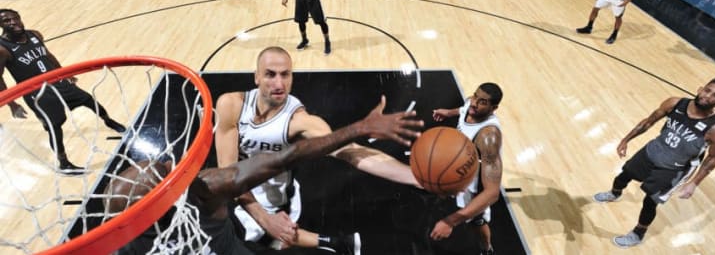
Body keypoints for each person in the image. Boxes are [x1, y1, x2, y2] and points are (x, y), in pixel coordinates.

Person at [109, 96, 423, 254]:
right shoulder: (204, 187)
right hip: (238, 216)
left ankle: (330, 241)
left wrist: (359, 130)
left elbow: (286, 156)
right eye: (166, 170)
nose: (171, 166)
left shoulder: (123, 229)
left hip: (251, 210)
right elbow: (283, 157)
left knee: (279, 227)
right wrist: (360, 127)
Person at [214, 46, 419, 253]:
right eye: (270, 75)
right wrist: (264, 219)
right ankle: (338, 243)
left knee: (263, 242)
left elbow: (349, 151)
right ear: (256, 77)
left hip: (277, 200)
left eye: (286, 75)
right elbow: (228, 171)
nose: (279, 84)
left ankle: (336, 243)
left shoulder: (300, 121)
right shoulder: (231, 105)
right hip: (242, 191)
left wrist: (413, 176)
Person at [593, 78, 715, 248]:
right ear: (700, 89)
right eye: (707, 90)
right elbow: (649, 121)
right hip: (652, 150)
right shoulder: (675, 103)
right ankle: (615, 193)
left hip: (674, 168)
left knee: (650, 201)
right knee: (625, 173)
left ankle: (638, 233)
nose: (708, 96)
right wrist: (626, 139)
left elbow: (712, 158)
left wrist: (693, 183)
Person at [0, 9, 126, 174]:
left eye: (14, 18)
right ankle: (64, 162)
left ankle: (108, 121)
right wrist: (12, 104)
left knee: (88, 100)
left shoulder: (35, 35)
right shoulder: (3, 49)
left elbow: (48, 55)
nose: (13, 22)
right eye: (6, 21)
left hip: (57, 82)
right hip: (37, 94)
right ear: (1, 25)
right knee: (54, 127)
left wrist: (64, 73)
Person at [429, 83, 504, 255]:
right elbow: (463, 109)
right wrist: (447, 112)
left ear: (494, 108)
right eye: (475, 96)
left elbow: (492, 192)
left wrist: (450, 222)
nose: (474, 103)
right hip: (460, 165)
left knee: (476, 222)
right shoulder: (471, 104)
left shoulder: (488, 137)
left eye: (483, 102)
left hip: (474, 184)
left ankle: (486, 249)